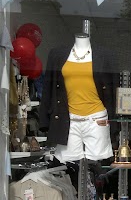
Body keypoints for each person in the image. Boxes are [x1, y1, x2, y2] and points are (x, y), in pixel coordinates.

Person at [39, 32, 116, 163]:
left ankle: (91, 183)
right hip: (68, 119)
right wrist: (44, 121)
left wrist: (115, 122)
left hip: (97, 118)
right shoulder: (57, 54)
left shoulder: (104, 55)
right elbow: (48, 87)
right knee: (70, 164)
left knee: (96, 162)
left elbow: (113, 89)